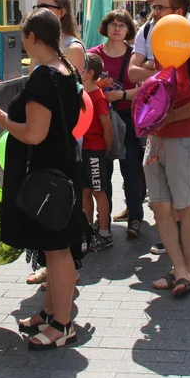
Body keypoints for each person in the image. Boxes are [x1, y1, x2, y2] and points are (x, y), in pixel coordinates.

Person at [0, 8, 86, 349]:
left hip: (49, 174)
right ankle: (49, 315)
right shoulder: (67, 67)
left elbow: (34, 133)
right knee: (53, 249)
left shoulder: (45, 76)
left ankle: (62, 325)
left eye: (24, 38)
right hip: (63, 169)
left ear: (32, 38)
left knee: (58, 251)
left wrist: (5, 123)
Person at [144, 0, 190, 298]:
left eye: (161, 7)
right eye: (154, 6)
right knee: (160, 207)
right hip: (155, 139)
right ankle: (179, 268)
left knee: (185, 205)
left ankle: (185, 268)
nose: (154, 12)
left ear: (179, 14)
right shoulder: (158, 45)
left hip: (183, 138)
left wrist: (168, 118)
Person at [27, 0, 85, 287]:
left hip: (60, 138)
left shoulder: (70, 48)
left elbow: (66, 97)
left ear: (61, 11)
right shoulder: (45, 50)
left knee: (58, 205)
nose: (37, 9)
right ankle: (50, 266)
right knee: (44, 206)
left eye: (43, 5)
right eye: (35, 4)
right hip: (46, 135)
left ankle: (64, 269)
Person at [87, 9, 144, 237]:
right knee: (103, 173)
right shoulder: (93, 55)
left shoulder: (135, 56)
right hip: (100, 122)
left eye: (122, 25)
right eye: (113, 24)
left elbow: (145, 91)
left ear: (129, 29)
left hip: (128, 119)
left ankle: (135, 218)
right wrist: (99, 88)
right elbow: (82, 86)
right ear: (106, 28)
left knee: (132, 171)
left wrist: (120, 96)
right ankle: (103, 222)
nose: (118, 28)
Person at [79, 53, 113, 248]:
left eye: (80, 67)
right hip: (82, 149)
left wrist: (106, 149)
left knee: (99, 191)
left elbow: (106, 126)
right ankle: (88, 229)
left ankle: (104, 232)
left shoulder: (98, 97)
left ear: (90, 73)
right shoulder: (80, 93)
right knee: (85, 191)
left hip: (95, 150)